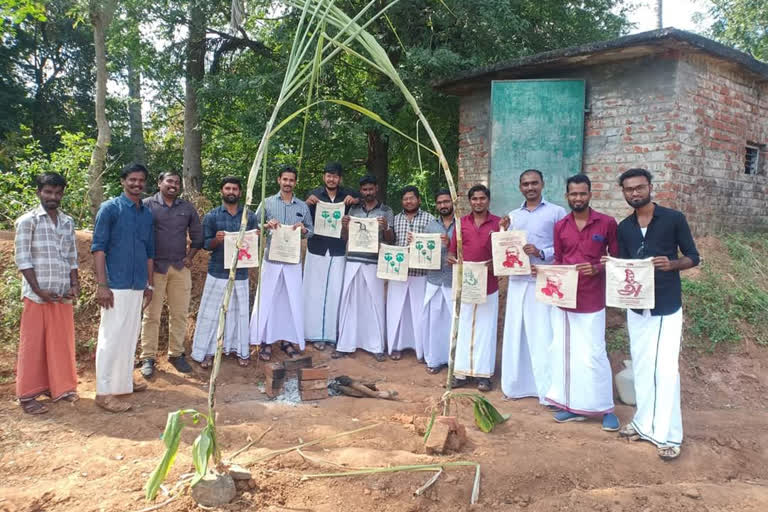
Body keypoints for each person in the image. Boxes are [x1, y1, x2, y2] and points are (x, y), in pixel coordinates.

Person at [612, 168, 699, 460]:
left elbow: (693, 257)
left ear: (650, 187)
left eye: (639, 188)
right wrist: (612, 266)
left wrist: (672, 265)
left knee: (665, 371)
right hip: (637, 307)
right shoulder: (624, 227)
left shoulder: (673, 219)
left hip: (666, 306)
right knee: (643, 368)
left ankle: (669, 435)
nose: (634, 193)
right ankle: (642, 422)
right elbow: (625, 266)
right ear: (623, 192)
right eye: (628, 189)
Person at [542, 174, 620, 431]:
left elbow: (616, 260)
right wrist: (544, 275)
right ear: (567, 196)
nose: (578, 198)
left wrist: (597, 268)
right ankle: (569, 405)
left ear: (590, 194)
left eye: (582, 193)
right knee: (564, 353)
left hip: (592, 299)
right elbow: (559, 261)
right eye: (573, 194)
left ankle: (605, 408)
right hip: (564, 300)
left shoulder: (606, 223)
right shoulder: (561, 225)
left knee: (594, 354)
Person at [14, 172, 79, 414]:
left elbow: (72, 257)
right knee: (33, 346)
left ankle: (60, 388)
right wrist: (38, 289)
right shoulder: (27, 221)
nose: (53, 197)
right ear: (39, 192)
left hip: (61, 293)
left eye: (58, 193)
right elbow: (23, 259)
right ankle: (28, 396)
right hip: (37, 295)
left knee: (61, 343)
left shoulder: (67, 222)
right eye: (48, 192)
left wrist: (74, 284)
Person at [499, 169, 566, 404]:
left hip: (544, 280)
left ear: (542, 184)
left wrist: (541, 253)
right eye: (525, 184)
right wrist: (503, 230)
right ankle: (515, 385)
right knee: (516, 332)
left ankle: (546, 390)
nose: (530, 187)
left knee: (543, 334)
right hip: (518, 281)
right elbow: (503, 246)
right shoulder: (512, 216)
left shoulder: (557, 212)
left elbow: (566, 246)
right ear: (520, 187)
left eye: (534, 183)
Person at [91, 163, 154, 413]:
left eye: (141, 180)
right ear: (122, 181)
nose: (137, 184)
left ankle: (123, 383)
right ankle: (103, 392)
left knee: (129, 337)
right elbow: (98, 248)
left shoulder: (146, 213)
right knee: (110, 338)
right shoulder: (110, 209)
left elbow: (150, 252)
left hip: (138, 284)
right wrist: (102, 285)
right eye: (132, 180)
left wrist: (149, 284)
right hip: (115, 285)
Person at [139, 171, 203, 378]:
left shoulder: (186, 208)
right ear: (160, 183)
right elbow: (138, 235)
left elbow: (198, 236)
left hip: (179, 268)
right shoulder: (147, 205)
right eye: (169, 181)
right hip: (154, 269)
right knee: (151, 315)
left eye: (177, 182)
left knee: (180, 313)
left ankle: (176, 354)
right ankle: (147, 357)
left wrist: (190, 256)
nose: (173, 185)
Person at [191, 176, 258, 368]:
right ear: (222, 191)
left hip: (241, 273)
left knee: (240, 313)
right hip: (218, 271)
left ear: (240, 192)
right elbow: (205, 245)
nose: (231, 192)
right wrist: (217, 240)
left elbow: (253, 244)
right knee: (212, 313)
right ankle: (207, 351)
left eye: (235, 189)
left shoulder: (249, 216)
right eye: (227, 188)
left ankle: (239, 350)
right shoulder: (212, 216)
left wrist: (256, 236)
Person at [251, 166, 313, 361]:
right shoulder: (267, 202)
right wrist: (266, 225)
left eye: (291, 180)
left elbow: (310, 231)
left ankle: (287, 340)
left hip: (293, 261)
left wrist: (303, 229)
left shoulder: (302, 207)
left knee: (291, 300)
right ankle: (265, 340)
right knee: (268, 299)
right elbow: (254, 226)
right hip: (272, 259)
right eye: (284, 179)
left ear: (295, 182)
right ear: (279, 180)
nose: (288, 183)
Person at [335, 175, 394, 360]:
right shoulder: (353, 209)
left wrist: (385, 228)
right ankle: (345, 344)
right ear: (361, 191)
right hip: (352, 260)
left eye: (371, 189)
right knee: (349, 302)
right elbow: (345, 238)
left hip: (374, 263)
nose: (367, 192)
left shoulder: (386, 211)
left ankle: (376, 346)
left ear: (376, 189)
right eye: (364, 190)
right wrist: (345, 226)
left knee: (374, 304)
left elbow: (391, 240)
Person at [448, 184, 500, 392]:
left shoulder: (498, 224)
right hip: (466, 283)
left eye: (482, 198)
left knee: (485, 330)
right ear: (469, 202)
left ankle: (483, 375)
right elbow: (451, 253)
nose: (478, 202)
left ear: (488, 200)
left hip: (489, 283)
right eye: (474, 199)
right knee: (463, 326)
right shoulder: (461, 224)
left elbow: (504, 252)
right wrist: (452, 260)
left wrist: (494, 264)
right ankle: (460, 373)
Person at [302, 162, 359, 351]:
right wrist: (307, 203)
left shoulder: (347, 195)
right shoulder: (315, 195)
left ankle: (332, 334)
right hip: (316, 248)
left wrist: (355, 200)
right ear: (324, 177)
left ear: (340, 178)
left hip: (337, 249)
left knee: (335, 290)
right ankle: (312, 333)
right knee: (313, 291)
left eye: (335, 176)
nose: (331, 179)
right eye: (328, 175)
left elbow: (361, 202)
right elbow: (304, 220)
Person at [387, 186, 436, 361]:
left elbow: (435, 243)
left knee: (419, 312)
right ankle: (396, 346)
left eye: (412, 198)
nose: (408, 201)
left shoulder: (430, 219)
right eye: (405, 199)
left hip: (421, 273)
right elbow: (390, 240)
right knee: (398, 311)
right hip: (399, 272)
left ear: (419, 200)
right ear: (402, 201)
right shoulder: (395, 218)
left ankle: (420, 350)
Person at [420, 189, 455, 374]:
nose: (443, 205)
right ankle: (434, 360)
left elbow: (468, 250)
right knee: (434, 322)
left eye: (446, 202)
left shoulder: (462, 225)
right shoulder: (431, 226)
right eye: (440, 202)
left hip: (453, 281)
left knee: (453, 323)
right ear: (436, 205)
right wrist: (415, 243)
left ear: (453, 202)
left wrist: (451, 245)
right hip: (434, 280)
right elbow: (423, 251)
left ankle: (454, 362)